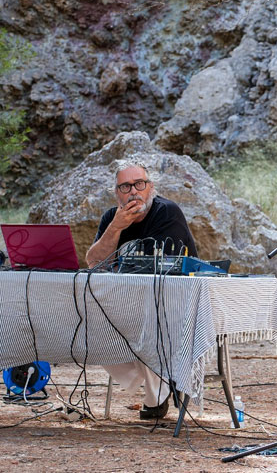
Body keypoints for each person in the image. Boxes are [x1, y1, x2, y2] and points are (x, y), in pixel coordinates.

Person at [86, 160, 198, 419]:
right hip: (125, 302)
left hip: (170, 303)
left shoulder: (166, 212)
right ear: (117, 193)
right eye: (125, 186)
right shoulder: (111, 218)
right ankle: (157, 385)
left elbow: (164, 267)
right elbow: (93, 262)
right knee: (92, 323)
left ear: (150, 188)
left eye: (139, 184)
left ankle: (157, 391)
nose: (133, 191)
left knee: (143, 324)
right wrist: (116, 227)